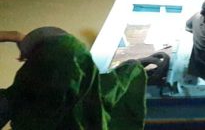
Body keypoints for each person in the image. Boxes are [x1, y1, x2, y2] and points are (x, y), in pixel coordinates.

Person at [0, 27, 146, 129]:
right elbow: (118, 83)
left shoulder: (16, 98)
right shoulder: (92, 98)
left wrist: (14, 36)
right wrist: (135, 65)